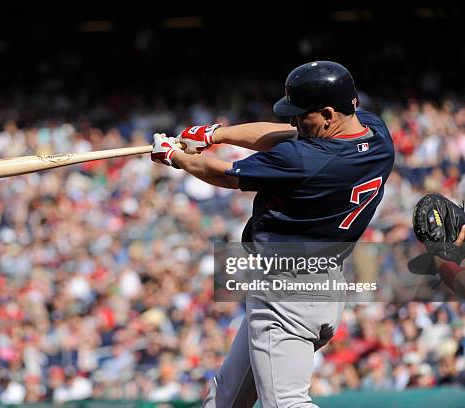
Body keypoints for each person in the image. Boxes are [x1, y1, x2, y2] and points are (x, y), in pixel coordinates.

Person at [150, 61, 395, 407]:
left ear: (327, 114)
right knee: (224, 399)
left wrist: (176, 158)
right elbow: (285, 135)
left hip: (287, 289)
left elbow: (226, 174)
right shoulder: (376, 132)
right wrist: (215, 134)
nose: (293, 121)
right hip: (320, 283)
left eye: (300, 114)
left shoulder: (306, 160)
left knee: (285, 403)